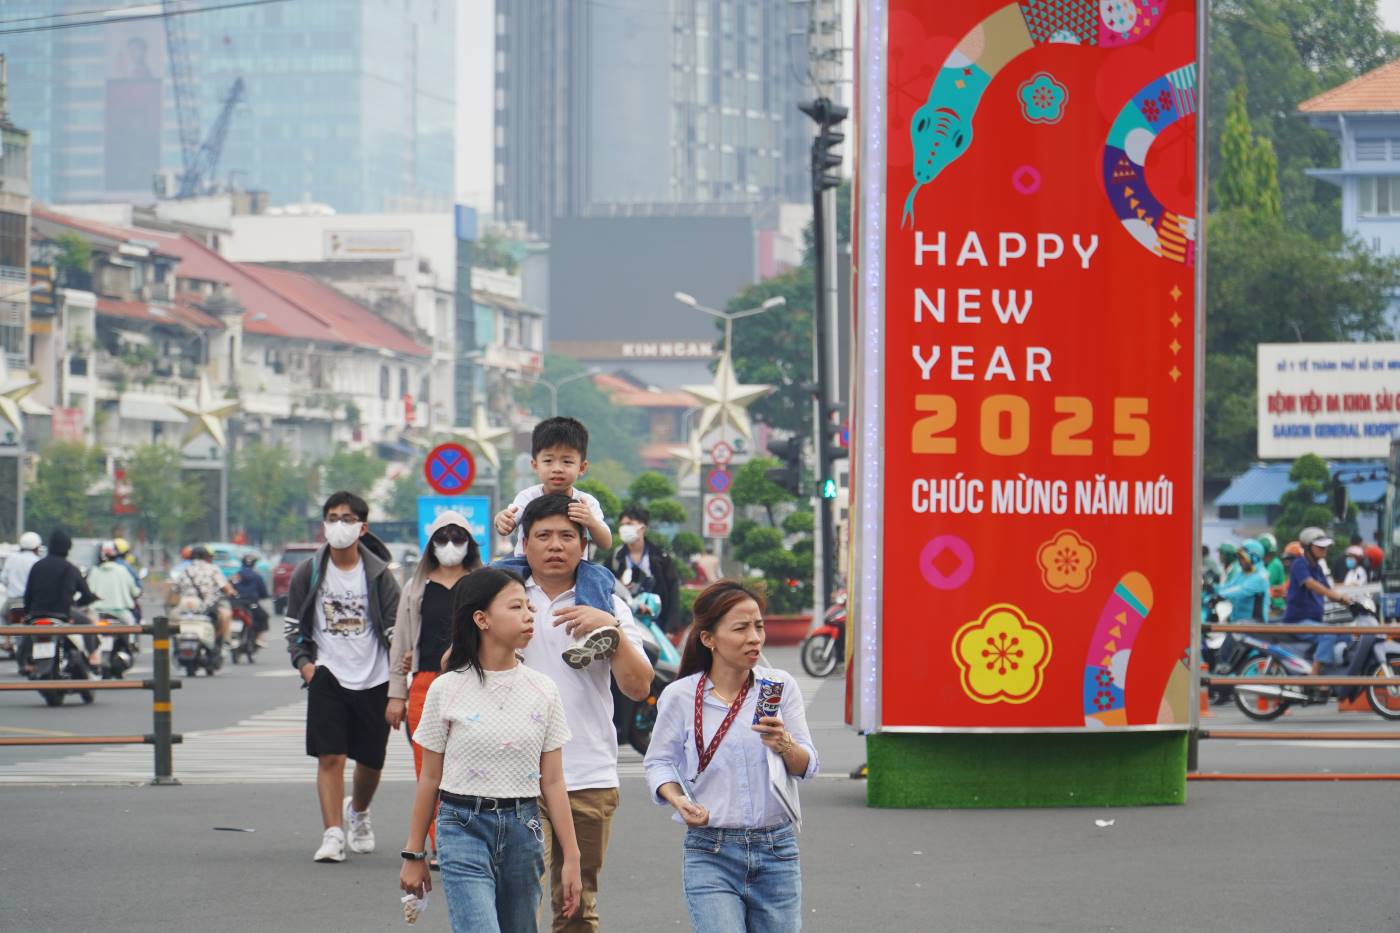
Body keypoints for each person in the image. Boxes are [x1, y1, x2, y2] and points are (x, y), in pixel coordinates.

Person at [399, 568, 582, 932]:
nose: (529, 615)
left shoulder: (543, 689)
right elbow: (429, 778)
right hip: (460, 825)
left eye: (529, 607)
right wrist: (414, 853)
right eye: (516, 607)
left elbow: (554, 782)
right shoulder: (445, 689)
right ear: (481, 619)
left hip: (523, 828)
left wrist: (572, 857)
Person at [510, 493, 653, 933]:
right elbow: (455, 666)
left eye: (567, 536)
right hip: (515, 776)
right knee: (519, 900)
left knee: (577, 906)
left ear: (584, 545)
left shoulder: (606, 600)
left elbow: (639, 684)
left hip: (589, 773)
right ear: (525, 544)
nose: (556, 545)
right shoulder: (505, 599)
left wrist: (609, 628)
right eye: (544, 535)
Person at [643, 580, 819, 933]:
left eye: (759, 626)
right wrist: (678, 800)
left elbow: (808, 766)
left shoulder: (776, 686)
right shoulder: (680, 696)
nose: (754, 637)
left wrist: (784, 744)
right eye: (741, 628)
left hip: (776, 849)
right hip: (711, 850)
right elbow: (658, 762)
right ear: (708, 638)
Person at [285, 491, 402, 864]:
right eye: (332, 518)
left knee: (371, 761)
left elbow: (397, 631)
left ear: (362, 527)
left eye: (348, 519)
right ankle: (332, 833)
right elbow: (293, 627)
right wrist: (307, 666)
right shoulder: (309, 572)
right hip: (328, 676)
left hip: (375, 678)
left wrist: (399, 680)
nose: (339, 525)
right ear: (323, 525)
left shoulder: (381, 575)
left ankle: (360, 812)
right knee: (330, 756)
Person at [387, 510, 481, 865]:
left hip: (473, 682)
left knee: (467, 764)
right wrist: (396, 693)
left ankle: (465, 837)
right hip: (425, 684)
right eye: (442, 538)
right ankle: (439, 841)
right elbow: (400, 643)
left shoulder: (482, 583)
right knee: (428, 768)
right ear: (431, 544)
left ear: (470, 543)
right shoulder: (416, 588)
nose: (450, 546)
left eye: (458, 538)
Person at [494, 417, 621, 669]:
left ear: (582, 467)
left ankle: (590, 637)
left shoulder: (587, 502)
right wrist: (502, 520)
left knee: (599, 578)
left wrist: (591, 522)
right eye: (548, 461)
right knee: (491, 577)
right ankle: (505, 642)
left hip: (575, 568)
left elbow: (605, 541)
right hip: (523, 563)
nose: (557, 469)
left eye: (567, 461)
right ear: (534, 464)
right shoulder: (528, 496)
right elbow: (508, 520)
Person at [22, 530, 99, 669]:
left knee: (24, 633)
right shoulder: (70, 569)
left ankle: (28, 663)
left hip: (37, 614)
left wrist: (28, 613)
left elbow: (28, 595)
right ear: (68, 548)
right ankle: (92, 656)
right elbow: (86, 594)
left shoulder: (37, 566)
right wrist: (76, 604)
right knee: (87, 623)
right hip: (62, 614)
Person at [1284, 527, 1354, 676]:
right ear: (1308, 547)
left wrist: (1350, 601)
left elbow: (1329, 592)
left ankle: (1333, 673)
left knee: (1348, 635)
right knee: (1328, 633)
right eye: (1321, 547)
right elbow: (1311, 584)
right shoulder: (1299, 564)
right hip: (1298, 621)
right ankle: (1314, 677)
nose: (1325, 550)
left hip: (1313, 621)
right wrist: (1338, 597)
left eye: (1326, 546)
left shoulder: (1318, 569)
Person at [607, 503, 682, 635]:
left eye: (629, 523)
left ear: (642, 527)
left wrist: (670, 628)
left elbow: (672, 592)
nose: (624, 528)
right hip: (624, 623)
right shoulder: (615, 558)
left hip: (655, 624)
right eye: (622, 524)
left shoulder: (661, 558)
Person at [173, 546, 238, 653]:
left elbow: (175, 589)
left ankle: (175, 645)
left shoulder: (185, 570)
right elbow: (226, 588)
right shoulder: (212, 569)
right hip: (207, 608)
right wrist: (232, 592)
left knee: (172, 618)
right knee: (226, 614)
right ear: (206, 557)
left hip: (185, 609)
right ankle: (225, 643)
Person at [3, 531, 42, 661]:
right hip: (30, 602)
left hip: (12, 601)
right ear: (37, 547)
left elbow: (4, 578)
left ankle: (5, 640)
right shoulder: (37, 561)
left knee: (2, 615)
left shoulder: (12, 559)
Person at [1215, 540, 1269, 622]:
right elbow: (1229, 586)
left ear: (1254, 558)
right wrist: (1213, 588)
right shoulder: (1243, 573)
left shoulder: (1260, 577)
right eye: (1239, 558)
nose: (1239, 561)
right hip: (1239, 622)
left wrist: (1220, 595)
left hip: (1254, 625)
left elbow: (1241, 590)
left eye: (1242, 558)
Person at [88, 541, 141, 625]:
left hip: (97, 613)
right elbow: (135, 591)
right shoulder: (123, 570)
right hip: (120, 612)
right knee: (132, 627)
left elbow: (87, 592)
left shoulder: (94, 572)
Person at [230, 553, 271, 646]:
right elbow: (263, 591)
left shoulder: (236, 576)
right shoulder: (257, 576)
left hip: (236, 603)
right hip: (251, 603)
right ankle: (258, 638)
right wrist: (264, 596)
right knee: (263, 616)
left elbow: (230, 587)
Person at [1256, 533, 1285, 618]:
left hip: (1275, 608)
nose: (1268, 557)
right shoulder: (1264, 564)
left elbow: (1263, 583)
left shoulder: (1275, 564)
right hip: (1267, 605)